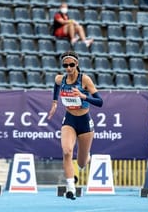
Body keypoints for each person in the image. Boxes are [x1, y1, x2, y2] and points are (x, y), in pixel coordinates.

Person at [48, 51, 103, 200]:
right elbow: (56, 86)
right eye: (65, 65)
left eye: (71, 64)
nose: (68, 68)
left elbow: (100, 102)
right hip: (70, 119)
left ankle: (86, 157)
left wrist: (84, 96)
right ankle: (70, 187)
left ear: (77, 64)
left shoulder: (85, 80)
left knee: (82, 162)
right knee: (66, 151)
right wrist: (54, 103)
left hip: (85, 121)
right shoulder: (60, 79)